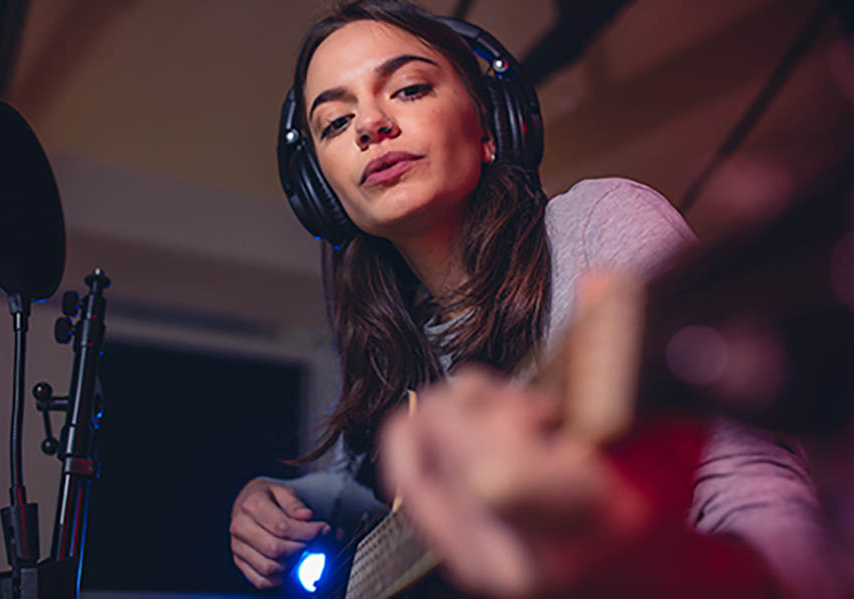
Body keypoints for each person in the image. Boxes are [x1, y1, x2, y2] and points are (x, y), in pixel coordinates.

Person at [229, 0, 839, 595]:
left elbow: (745, 489)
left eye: (410, 88)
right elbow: (350, 487)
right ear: (325, 194)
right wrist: (277, 505)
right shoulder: (382, 344)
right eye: (335, 122)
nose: (370, 124)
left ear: (491, 128)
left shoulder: (598, 223)